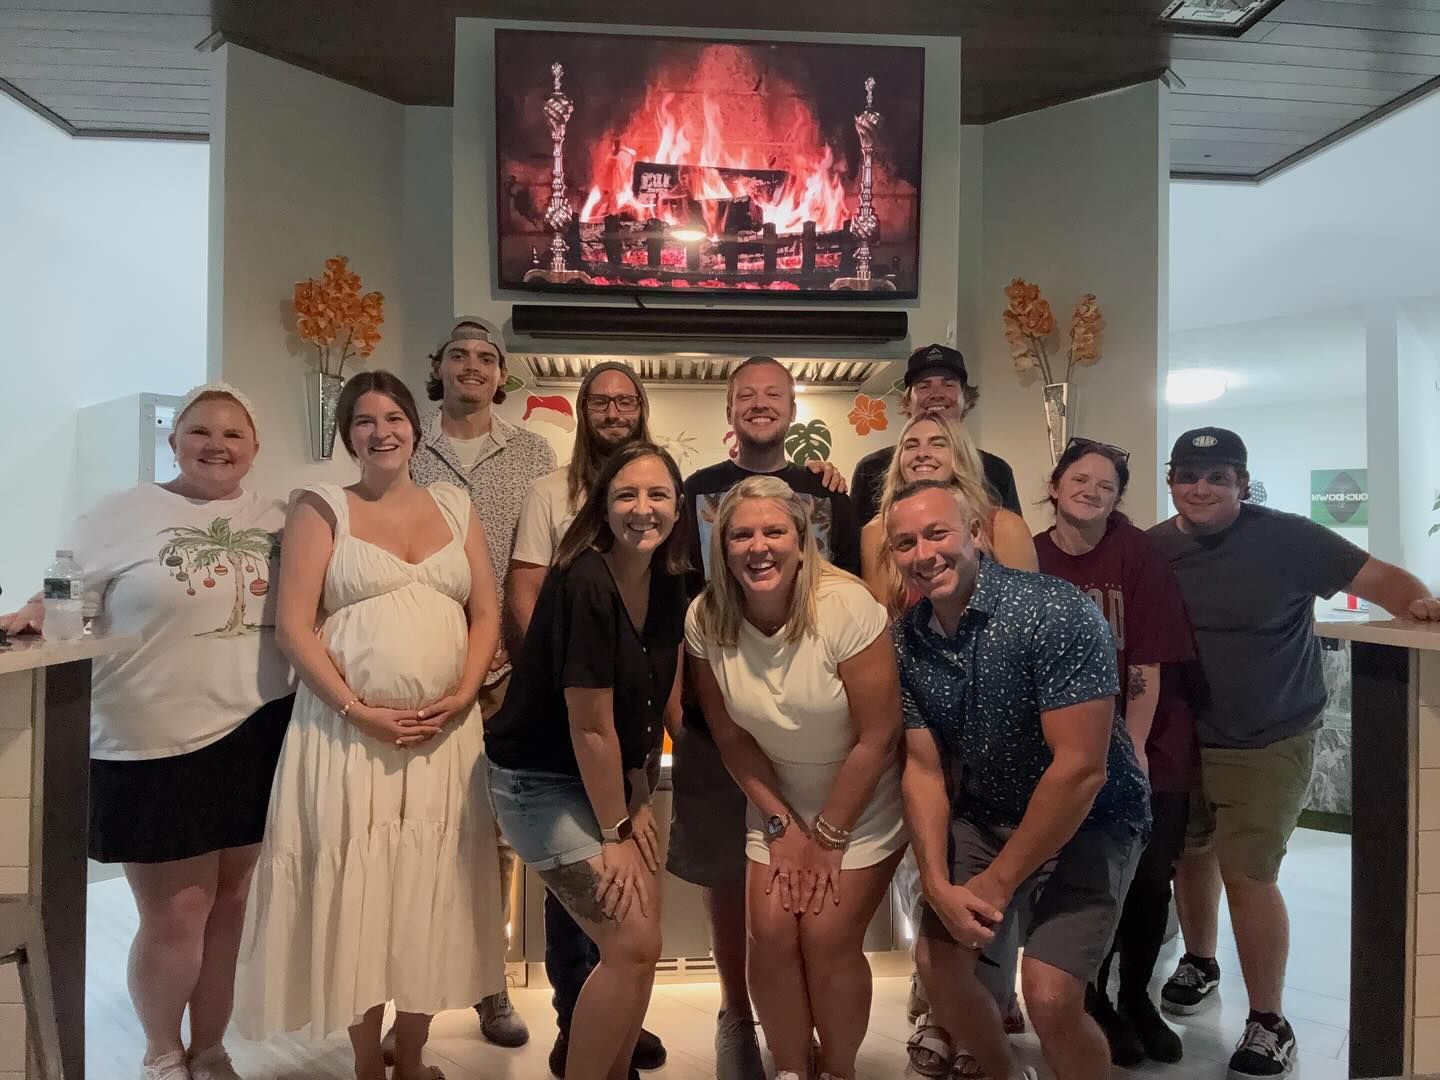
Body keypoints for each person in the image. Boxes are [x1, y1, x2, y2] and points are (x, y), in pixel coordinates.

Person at [2, 383, 296, 1080]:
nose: (216, 446)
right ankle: (163, 1052)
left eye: (232, 434)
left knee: (230, 907)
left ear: (255, 449)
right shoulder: (118, 514)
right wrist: (37, 610)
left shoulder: (281, 518)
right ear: (173, 441)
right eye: (200, 432)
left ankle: (212, 1048)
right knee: (176, 914)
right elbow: (64, 592)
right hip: (150, 741)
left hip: (258, 732)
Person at [235, 371, 507, 1080]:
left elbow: (486, 611)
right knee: (354, 890)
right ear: (347, 434)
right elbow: (294, 629)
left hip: (444, 738)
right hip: (345, 736)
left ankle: (411, 1057)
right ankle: (364, 1062)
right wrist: (360, 710)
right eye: (364, 420)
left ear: (417, 426)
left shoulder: (455, 504)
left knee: (430, 890)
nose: (381, 431)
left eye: (393, 417)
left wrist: (465, 693)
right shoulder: (322, 507)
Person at [1149, 427, 1440, 1080]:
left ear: (1241, 485)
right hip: (1181, 732)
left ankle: (1269, 1021)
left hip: (1269, 735)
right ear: (1171, 483)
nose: (1201, 487)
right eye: (1189, 475)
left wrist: (1421, 609)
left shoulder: (1290, 538)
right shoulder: (1153, 548)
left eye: (1218, 477)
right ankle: (1200, 960)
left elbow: (1387, 580)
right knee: (1189, 854)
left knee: (1248, 871)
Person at [889, 478, 1151, 1080]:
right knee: (939, 965)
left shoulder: (1054, 611)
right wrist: (933, 881)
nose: (923, 554)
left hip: (1093, 819)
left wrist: (996, 885)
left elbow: (1081, 770)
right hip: (986, 814)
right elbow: (925, 770)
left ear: (976, 534)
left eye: (937, 533)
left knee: (1052, 997)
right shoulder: (908, 640)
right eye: (905, 543)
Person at [666, 355, 863, 1080]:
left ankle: (811, 1031)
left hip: (816, 724)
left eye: (772, 395)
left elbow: (854, 604)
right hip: (727, 712)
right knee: (729, 869)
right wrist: (676, 687)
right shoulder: (694, 493)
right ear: (729, 409)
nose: (758, 404)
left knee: (807, 890)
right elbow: (678, 598)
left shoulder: (828, 496)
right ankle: (736, 1015)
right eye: (745, 395)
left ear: (791, 408)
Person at [687, 476, 907, 1080]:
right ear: (722, 547)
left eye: (774, 531)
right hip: (777, 800)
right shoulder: (707, 617)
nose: (759, 546)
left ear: (802, 541)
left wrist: (829, 836)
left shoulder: (847, 606)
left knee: (828, 936)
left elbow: (879, 736)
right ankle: (790, 1070)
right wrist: (783, 826)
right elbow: (731, 736)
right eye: (741, 534)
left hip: (861, 801)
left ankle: (837, 1070)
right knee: (771, 933)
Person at [485, 443, 690, 1080]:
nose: (643, 508)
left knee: (642, 945)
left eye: (658, 495)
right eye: (626, 495)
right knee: (630, 943)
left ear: (678, 507)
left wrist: (638, 795)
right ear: (603, 508)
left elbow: (648, 705)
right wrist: (616, 831)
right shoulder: (585, 582)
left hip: (603, 783)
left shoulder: (667, 579)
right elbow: (591, 725)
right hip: (539, 783)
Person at [409, 316, 557, 1049]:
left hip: (504, 672)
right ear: (438, 367)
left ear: (503, 376)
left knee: (497, 840)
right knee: (416, 831)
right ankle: (408, 994)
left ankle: (489, 986)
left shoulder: (533, 454)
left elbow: (542, 565)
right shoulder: (403, 445)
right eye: (459, 354)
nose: (472, 366)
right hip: (421, 673)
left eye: (487, 357)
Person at [1034, 437, 1198, 1066]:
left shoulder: (1138, 554)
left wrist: (1127, 753)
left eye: (1106, 485)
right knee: (1086, 880)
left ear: (1118, 499)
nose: (1092, 491)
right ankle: (1092, 997)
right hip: (1060, 753)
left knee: (1150, 877)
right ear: (1054, 486)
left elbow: (1147, 662)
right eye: (1080, 479)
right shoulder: (1033, 556)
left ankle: (1135, 997)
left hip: (1146, 742)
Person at [861, 410, 1036, 614]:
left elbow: (1025, 616)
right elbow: (883, 621)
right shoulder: (876, 533)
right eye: (911, 445)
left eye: (937, 444)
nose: (922, 453)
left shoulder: (1005, 527)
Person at [851, 344, 1020, 525]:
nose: (936, 394)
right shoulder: (871, 469)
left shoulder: (996, 471)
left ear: (966, 399)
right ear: (907, 402)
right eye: (924, 386)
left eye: (948, 384)